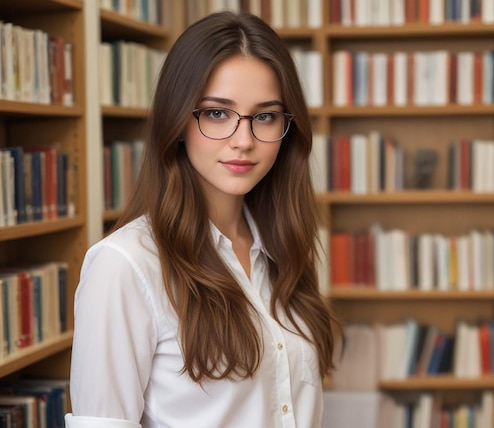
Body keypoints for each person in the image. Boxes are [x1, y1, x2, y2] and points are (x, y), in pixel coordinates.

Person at [65, 11, 336, 428]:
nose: (243, 141)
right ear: (178, 122)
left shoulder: (285, 247)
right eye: (216, 113)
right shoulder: (125, 266)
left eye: (265, 116)